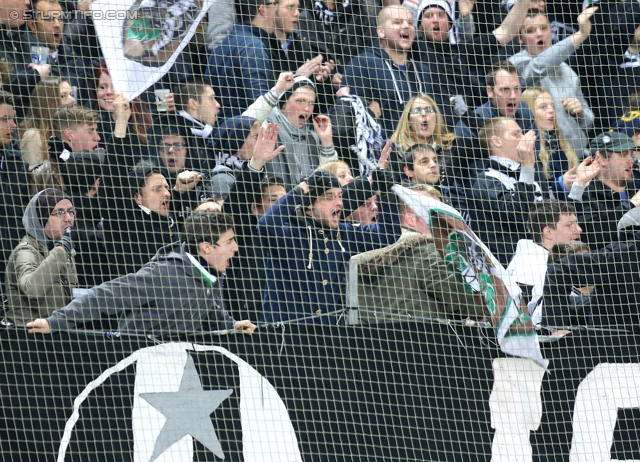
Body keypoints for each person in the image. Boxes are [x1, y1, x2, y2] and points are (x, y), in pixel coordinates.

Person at [26, 211, 257, 335]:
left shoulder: (207, 276)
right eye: (229, 241)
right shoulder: (165, 275)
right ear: (206, 247)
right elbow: (106, 295)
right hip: (137, 369)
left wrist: (232, 326)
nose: (235, 248)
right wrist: (55, 321)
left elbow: (208, 309)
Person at [257, 166, 402, 324]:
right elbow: (265, 226)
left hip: (330, 338)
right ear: (309, 204)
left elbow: (388, 234)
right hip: (286, 339)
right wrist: (300, 191)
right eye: (329, 197)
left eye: (340, 196)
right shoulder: (288, 233)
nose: (339, 203)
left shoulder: (344, 234)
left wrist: (385, 193)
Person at [353, 184, 483, 323]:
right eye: (435, 215)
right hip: (428, 340)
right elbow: (471, 304)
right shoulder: (426, 251)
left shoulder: (358, 259)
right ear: (411, 218)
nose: (445, 222)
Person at [342, 5, 448, 138]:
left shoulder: (424, 70)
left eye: (410, 23)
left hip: (424, 152)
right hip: (385, 153)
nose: (406, 26)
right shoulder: (362, 64)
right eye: (397, 22)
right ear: (381, 32)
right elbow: (350, 117)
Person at [207, 0, 322, 118]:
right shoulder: (253, 46)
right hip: (244, 130)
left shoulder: (232, 39)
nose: (276, 9)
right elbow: (260, 104)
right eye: (274, 4)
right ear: (262, 10)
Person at [509, 7, 597, 156]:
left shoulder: (568, 71)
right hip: (543, 156)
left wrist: (581, 113)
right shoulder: (515, 65)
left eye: (543, 28)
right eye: (530, 30)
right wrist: (580, 35)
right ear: (519, 37)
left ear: (551, 30)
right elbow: (539, 66)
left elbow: (589, 122)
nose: (539, 34)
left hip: (577, 155)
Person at [467, 117, 544, 266]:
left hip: (540, 260)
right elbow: (515, 214)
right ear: (497, 141)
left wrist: (577, 188)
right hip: (507, 270)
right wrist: (528, 164)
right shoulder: (484, 181)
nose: (523, 138)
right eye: (516, 134)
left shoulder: (530, 175)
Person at [5, 188, 77, 325]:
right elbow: (31, 289)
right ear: (41, 218)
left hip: (55, 331)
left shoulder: (61, 248)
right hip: (28, 336)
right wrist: (60, 252)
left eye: (70, 211)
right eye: (59, 213)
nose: (68, 218)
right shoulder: (25, 251)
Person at [506, 200, 581, 321]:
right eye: (569, 225)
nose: (578, 229)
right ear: (548, 232)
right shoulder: (529, 267)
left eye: (576, 224)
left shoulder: (540, 257)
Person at [104, 165, 179, 279]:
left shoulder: (171, 224)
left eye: (167, 187)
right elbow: (112, 180)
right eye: (157, 189)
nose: (167, 193)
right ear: (137, 197)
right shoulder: (126, 223)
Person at [264, 75, 338, 189]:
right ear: (284, 103)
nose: (307, 109)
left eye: (311, 103)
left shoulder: (313, 137)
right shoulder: (267, 126)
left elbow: (330, 177)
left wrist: (326, 141)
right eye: (300, 101)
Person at [568, 132, 640, 248]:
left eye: (631, 154)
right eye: (623, 154)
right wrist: (632, 204)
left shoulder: (636, 187)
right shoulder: (586, 197)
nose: (631, 160)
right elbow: (593, 238)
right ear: (601, 159)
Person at [20, 77, 77, 195]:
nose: (72, 100)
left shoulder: (65, 133)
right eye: (63, 96)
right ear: (47, 102)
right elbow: (35, 183)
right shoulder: (33, 136)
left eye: (71, 94)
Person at [521, 87, 579, 199]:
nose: (551, 110)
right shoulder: (527, 149)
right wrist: (561, 183)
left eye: (552, 106)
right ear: (528, 112)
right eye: (543, 107)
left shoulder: (561, 142)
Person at [0, 90, 29, 294]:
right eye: (5, 119)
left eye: (13, 119)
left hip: (9, 265)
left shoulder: (16, 164)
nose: (13, 126)